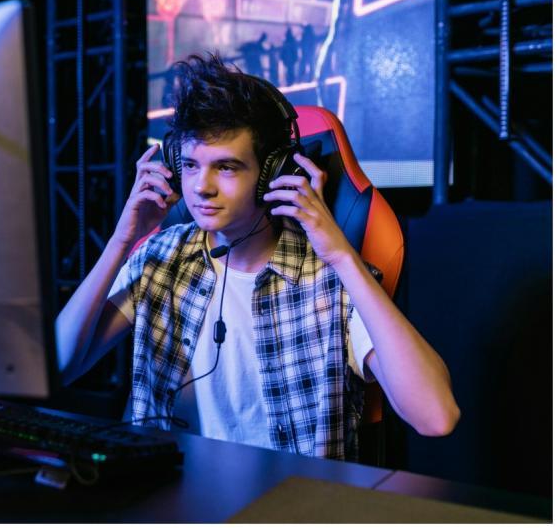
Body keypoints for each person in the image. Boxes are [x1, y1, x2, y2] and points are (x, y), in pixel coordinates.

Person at [55, 53, 459, 461]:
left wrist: (340, 255)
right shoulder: (162, 259)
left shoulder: (328, 283)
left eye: (226, 168)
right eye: (191, 165)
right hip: (168, 503)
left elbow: (436, 417)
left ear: (274, 175)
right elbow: (59, 367)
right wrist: (123, 241)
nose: (201, 188)